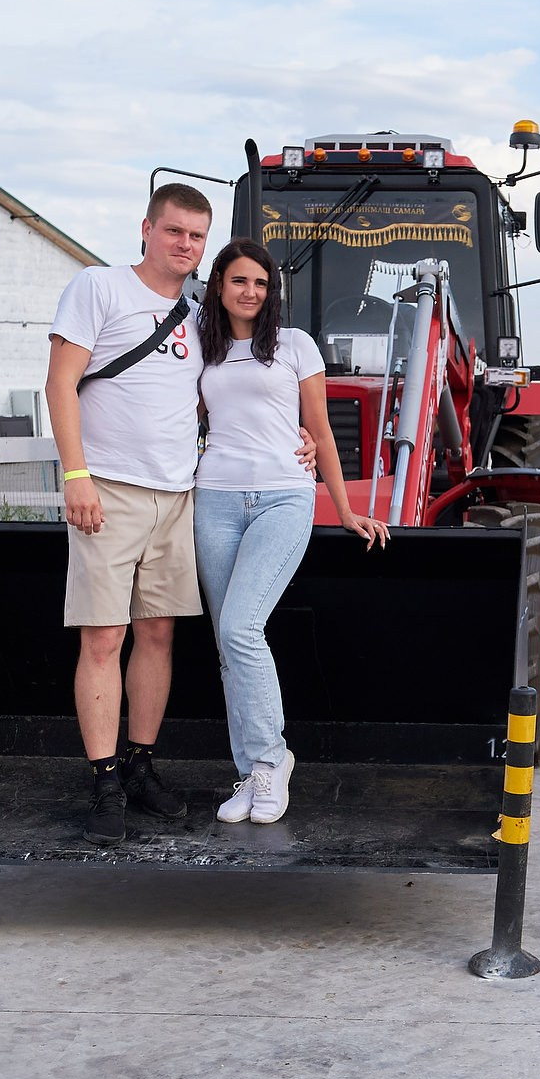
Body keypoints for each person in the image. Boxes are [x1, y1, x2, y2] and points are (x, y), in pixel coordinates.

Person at [193, 240, 390, 825]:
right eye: (238, 281)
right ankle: (251, 773)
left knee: (240, 625)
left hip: (283, 495)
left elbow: (321, 432)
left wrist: (345, 509)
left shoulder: (296, 346)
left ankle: (274, 760)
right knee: (228, 647)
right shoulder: (202, 348)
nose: (250, 292)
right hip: (216, 497)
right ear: (220, 286)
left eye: (260, 282)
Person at [45, 183, 216, 845]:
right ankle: (104, 780)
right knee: (102, 638)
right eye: (175, 231)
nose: (185, 245)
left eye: (197, 236)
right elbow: (61, 382)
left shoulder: (198, 312)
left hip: (176, 496)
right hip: (107, 489)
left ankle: (141, 765)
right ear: (146, 229)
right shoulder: (99, 288)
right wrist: (76, 474)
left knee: (158, 637)